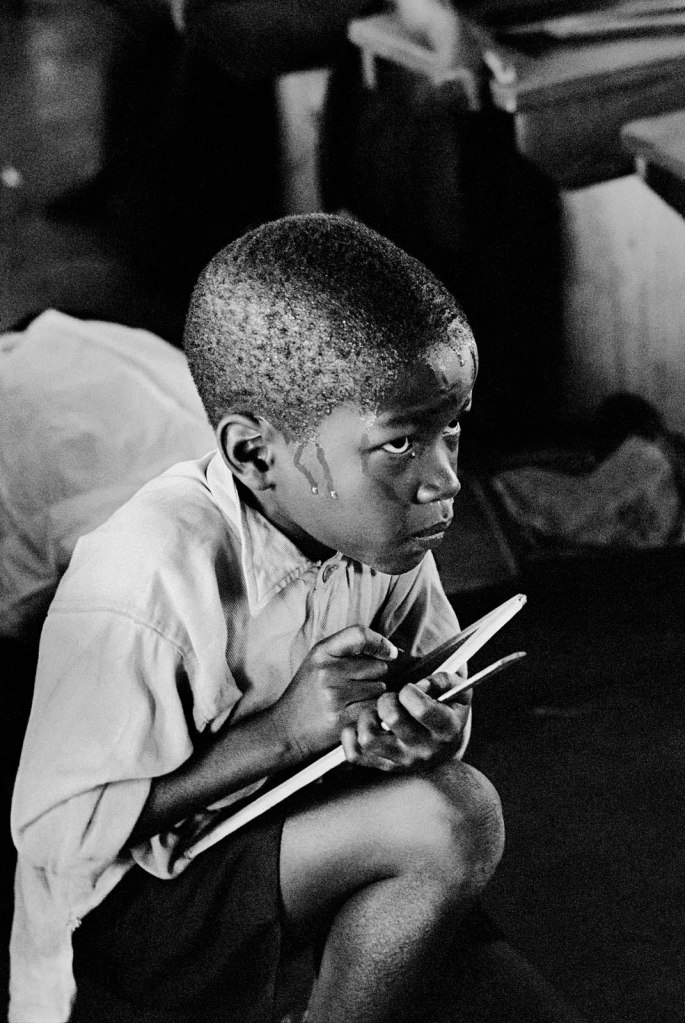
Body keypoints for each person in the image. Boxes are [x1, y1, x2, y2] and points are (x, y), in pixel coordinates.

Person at [10, 213, 504, 1023]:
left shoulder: (379, 534)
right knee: (450, 817)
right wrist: (284, 732)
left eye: (451, 428)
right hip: (124, 909)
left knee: (443, 794)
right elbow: (55, 837)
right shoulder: (150, 574)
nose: (442, 478)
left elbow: (443, 685)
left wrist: (429, 731)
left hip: (261, 834)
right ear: (252, 455)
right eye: (399, 444)